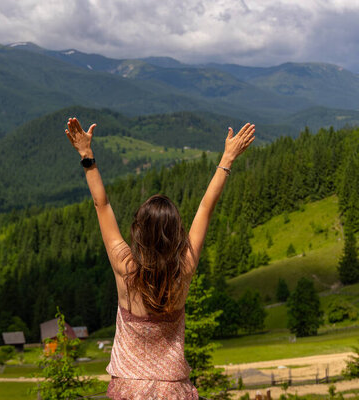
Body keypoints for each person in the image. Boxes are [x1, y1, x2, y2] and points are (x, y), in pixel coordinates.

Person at [65, 117, 255, 399]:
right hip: (173, 389)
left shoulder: (125, 267)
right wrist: (227, 157)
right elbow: (206, 207)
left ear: (139, 232)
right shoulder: (184, 269)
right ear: (176, 233)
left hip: (128, 388)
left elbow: (101, 205)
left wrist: (87, 156)